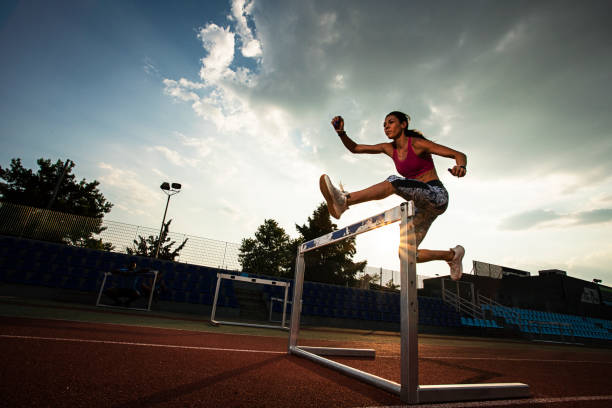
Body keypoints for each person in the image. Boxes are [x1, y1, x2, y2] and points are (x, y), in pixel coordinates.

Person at [320, 111, 467, 280]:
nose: (386, 127)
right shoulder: (388, 148)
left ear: (403, 124)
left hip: (436, 195)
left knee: (394, 181)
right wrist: (341, 133)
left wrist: (461, 167)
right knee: (407, 254)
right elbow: (355, 148)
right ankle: (452, 256)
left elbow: (459, 155)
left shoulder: (418, 144)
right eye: (384, 124)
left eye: (390, 122)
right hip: (421, 207)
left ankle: (345, 201)